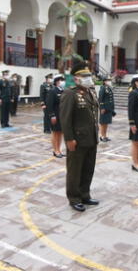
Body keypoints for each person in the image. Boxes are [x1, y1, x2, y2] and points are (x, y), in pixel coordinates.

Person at [60, 60, 100, 212]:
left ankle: (85, 194)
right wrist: (69, 139)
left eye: (89, 75)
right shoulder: (70, 93)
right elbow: (65, 119)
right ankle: (74, 198)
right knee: (75, 170)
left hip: (91, 138)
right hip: (77, 140)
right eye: (85, 76)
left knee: (88, 168)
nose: (88, 78)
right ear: (76, 79)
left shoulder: (91, 92)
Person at [47, 74, 65, 158]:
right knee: (55, 133)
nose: (63, 82)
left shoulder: (63, 91)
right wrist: (52, 116)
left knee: (60, 133)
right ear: (57, 81)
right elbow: (49, 105)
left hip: (62, 116)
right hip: (55, 116)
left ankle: (59, 150)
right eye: (62, 80)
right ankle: (55, 150)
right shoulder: (52, 91)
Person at [98, 75, 116, 142]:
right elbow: (100, 99)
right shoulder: (103, 88)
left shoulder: (109, 88)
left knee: (106, 123)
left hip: (109, 109)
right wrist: (102, 108)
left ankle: (105, 136)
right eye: (108, 80)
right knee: (103, 123)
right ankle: (102, 136)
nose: (109, 81)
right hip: (104, 108)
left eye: (109, 80)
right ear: (104, 81)